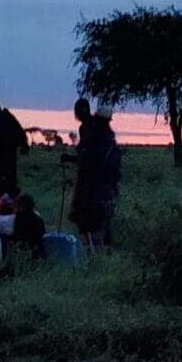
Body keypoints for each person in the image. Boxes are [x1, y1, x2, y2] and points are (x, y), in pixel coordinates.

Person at [68, 95, 122, 248]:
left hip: (93, 185)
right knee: (100, 219)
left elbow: (88, 159)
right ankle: (101, 249)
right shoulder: (107, 139)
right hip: (101, 185)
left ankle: (95, 250)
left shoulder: (98, 136)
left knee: (91, 220)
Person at [0, 96, 29, 201]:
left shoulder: (5, 120)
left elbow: (20, 136)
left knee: (4, 195)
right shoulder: (0, 121)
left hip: (4, 167)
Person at [10, 191, 46, 259]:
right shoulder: (38, 218)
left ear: (22, 207)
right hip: (39, 252)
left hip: (25, 252)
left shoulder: (19, 219)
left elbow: (16, 236)